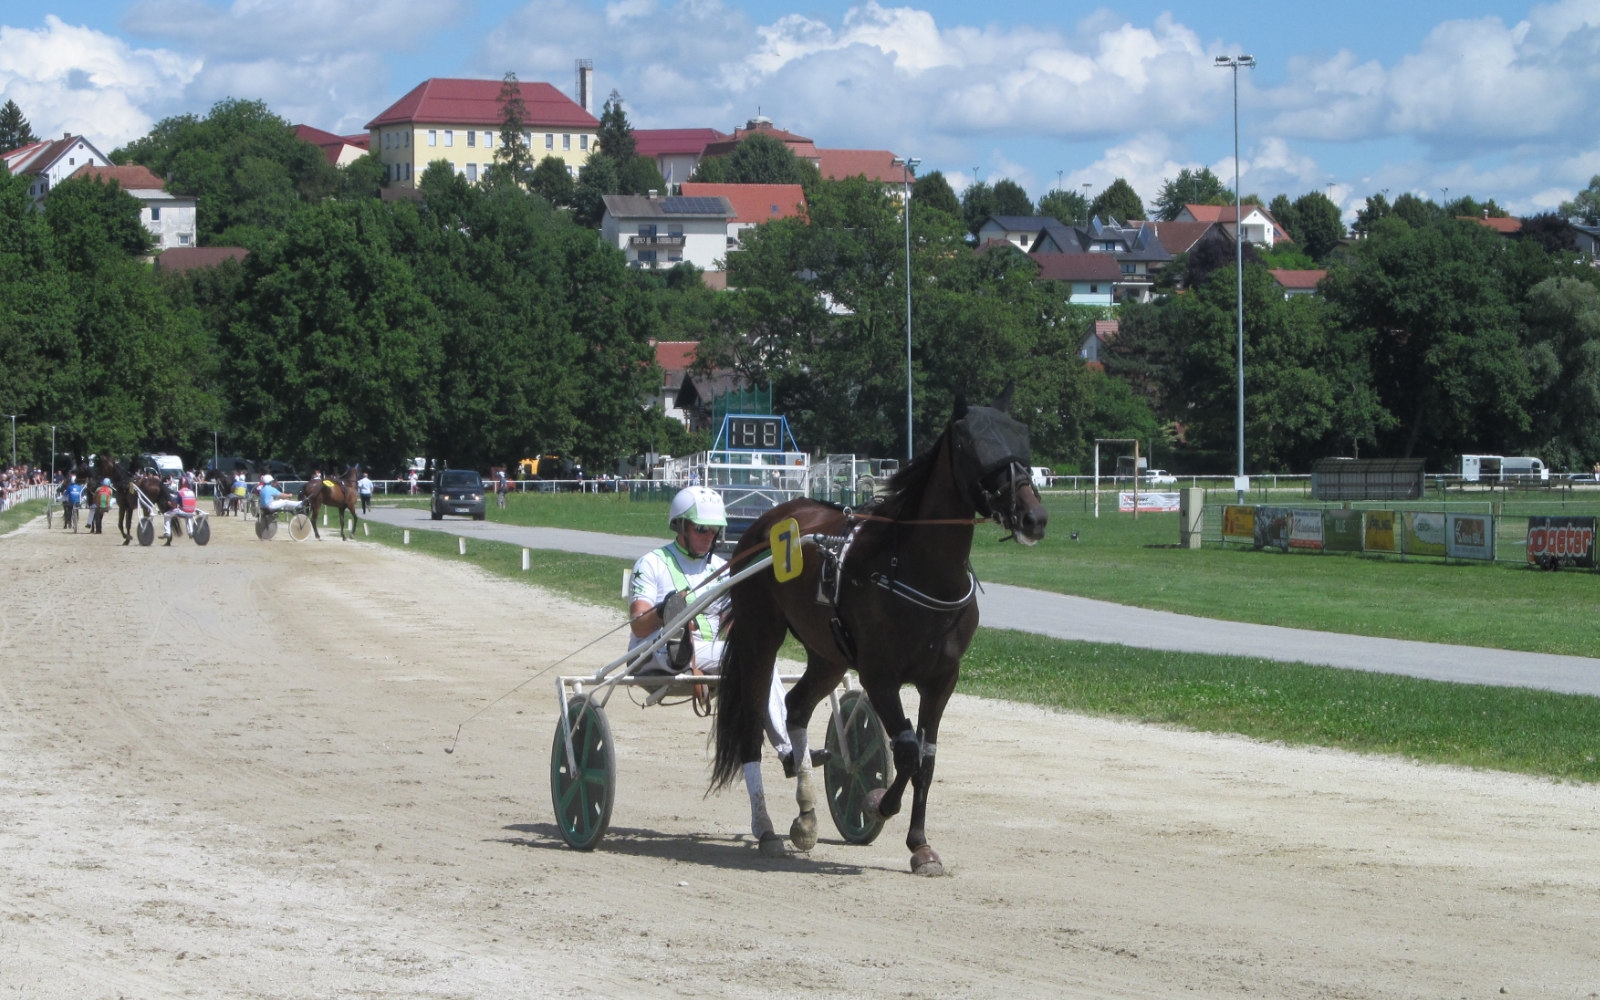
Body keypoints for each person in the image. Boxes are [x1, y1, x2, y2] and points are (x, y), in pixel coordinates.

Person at [627, 486, 826, 776]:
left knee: (757, 657)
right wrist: (664, 613)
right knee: (752, 658)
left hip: (708, 653)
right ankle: (789, 749)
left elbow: (734, 623)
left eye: (714, 530)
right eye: (701, 529)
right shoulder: (652, 563)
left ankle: (788, 752)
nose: (708, 536)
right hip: (650, 651)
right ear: (681, 526)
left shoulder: (722, 569)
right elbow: (638, 624)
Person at [161, 477, 198, 544]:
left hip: (183, 512)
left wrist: (169, 503)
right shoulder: (192, 492)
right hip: (192, 512)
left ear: (180, 484)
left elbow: (174, 505)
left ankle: (167, 532)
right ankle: (190, 532)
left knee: (166, 515)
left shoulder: (180, 492)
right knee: (188, 516)